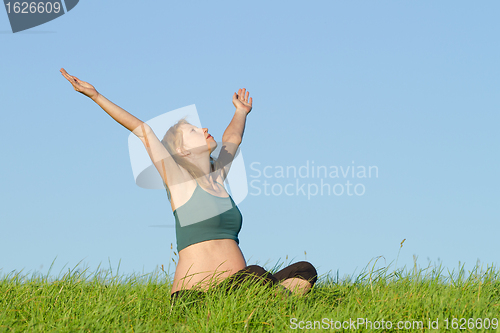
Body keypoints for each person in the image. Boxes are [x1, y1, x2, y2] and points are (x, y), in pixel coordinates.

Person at [60, 68, 318, 301]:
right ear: (182, 150)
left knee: (304, 271)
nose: (204, 128)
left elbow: (233, 138)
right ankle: (267, 302)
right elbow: (143, 130)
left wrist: (240, 112)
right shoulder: (177, 180)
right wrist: (96, 96)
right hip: (195, 297)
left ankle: (262, 302)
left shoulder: (218, 177)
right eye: (194, 131)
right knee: (257, 275)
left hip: (238, 287)